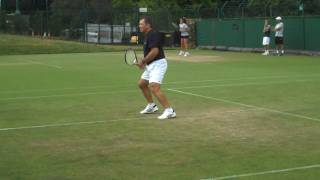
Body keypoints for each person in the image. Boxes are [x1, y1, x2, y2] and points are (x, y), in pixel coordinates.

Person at [137, 16, 176, 120]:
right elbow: (150, 53)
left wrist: (143, 61)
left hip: (158, 64)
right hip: (151, 65)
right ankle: (152, 106)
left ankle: (169, 111)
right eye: (139, 24)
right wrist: (144, 63)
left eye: (141, 24)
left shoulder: (153, 34)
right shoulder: (147, 35)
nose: (139, 26)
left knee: (154, 87)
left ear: (148, 25)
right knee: (142, 84)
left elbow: (155, 52)